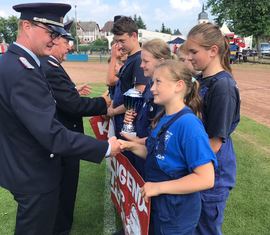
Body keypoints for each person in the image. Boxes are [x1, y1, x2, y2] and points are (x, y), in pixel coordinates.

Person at [0, 3, 120, 235]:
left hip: (19, 168)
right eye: (50, 32)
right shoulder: (24, 71)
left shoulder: (8, 63)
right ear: (26, 26)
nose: (55, 40)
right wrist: (105, 147)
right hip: (35, 175)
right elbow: (52, 134)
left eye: (57, 34)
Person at [119, 60, 217, 235]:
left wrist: (158, 187)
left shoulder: (189, 125)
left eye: (158, 82)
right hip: (160, 206)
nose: (152, 88)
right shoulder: (164, 116)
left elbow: (206, 178)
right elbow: (157, 155)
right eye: (153, 82)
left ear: (178, 86)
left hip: (176, 213)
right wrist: (130, 146)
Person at [39, 21, 110, 235]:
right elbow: (72, 105)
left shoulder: (48, 65)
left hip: (58, 138)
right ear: (55, 40)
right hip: (64, 139)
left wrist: (73, 91)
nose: (70, 47)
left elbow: (58, 97)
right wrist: (103, 102)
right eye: (66, 41)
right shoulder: (49, 66)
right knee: (64, 191)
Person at [186, 22, 241, 235]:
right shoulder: (201, 79)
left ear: (213, 51)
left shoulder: (223, 87)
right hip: (199, 166)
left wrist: (184, 163)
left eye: (194, 51)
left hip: (213, 174)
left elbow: (215, 143)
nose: (189, 57)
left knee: (206, 229)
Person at [121, 38, 172, 177]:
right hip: (142, 153)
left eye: (146, 61)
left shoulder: (165, 92)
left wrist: (135, 141)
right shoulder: (151, 84)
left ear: (161, 61)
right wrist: (132, 118)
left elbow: (161, 133)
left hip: (152, 158)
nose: (141, 65)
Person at [107, 16, 149, 138]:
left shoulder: (139, 60)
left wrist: (114, 111)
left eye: (122, 41)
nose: (119, 45)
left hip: (132, 126)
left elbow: (138, 97)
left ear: (134, 36)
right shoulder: (130, 59)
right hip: (122, 122)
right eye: (116, 41)